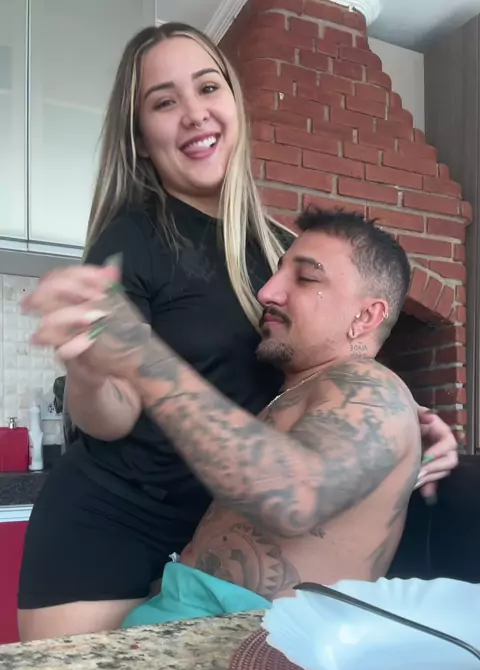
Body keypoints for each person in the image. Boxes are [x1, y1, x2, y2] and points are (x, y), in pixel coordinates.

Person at [18, 24, 457, 641]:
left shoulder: (280, 249)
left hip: (207, 531)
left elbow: (317, 368)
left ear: (234, 104)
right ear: (141, 138)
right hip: (107, 528)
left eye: (207, 87)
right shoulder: (132, 239)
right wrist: (90, 371)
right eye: (164, 102)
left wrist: (406, 417)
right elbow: (111, 419)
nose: (194, 113)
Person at [25, 208, 455, 629]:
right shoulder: (299, 392)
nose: (267, 292)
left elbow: (297, 498)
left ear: (366, 316)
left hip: (243, 652)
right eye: (278, 273)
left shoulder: (374, 389)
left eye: (306, 278)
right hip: (180, 626)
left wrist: (140, 354)